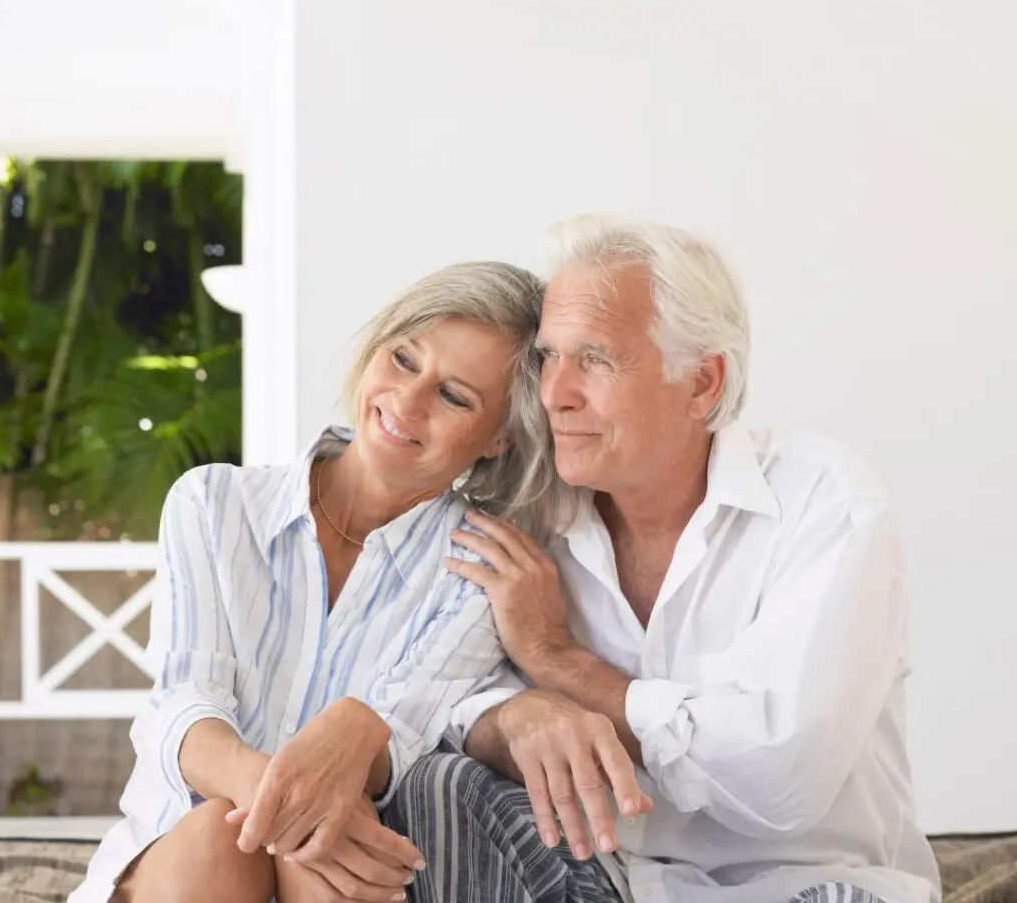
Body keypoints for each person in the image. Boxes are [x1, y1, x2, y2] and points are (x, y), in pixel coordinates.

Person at [385, 217, 942, 903]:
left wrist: (558, 662)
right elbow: (420, 690)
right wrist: (509, 714)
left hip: (808, 888)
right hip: (605, 887)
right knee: (438, 786)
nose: (555, 393)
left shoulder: (825, 503)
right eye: (547, 357)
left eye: (594, 359)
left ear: (703, 383)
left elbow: (781, 779)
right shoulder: (525, 516)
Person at [70, 260, 579, 903]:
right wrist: (279, 797)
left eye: (455, 396)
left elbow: (396, 733)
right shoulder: (213, 502)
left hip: (340, 874)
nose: (407, 401)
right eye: (402, 359)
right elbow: (183, 706)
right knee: (231, 838)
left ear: (500, 437)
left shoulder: (485, 569)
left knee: (336, 827)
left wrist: (348, 740)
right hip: (183, 861)